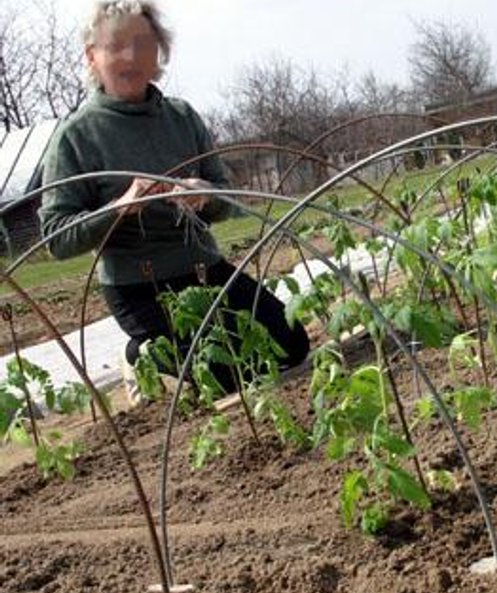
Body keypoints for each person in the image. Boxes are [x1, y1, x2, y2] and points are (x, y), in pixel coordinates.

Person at [38, 1, 310, 403]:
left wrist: (205, 195)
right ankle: (140, 355)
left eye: (143, 44)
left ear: (158, 53)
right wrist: (118, 208)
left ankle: (173, 354)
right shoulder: (76, 136)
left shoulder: (181, 118)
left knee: (292, 346)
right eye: (116, 46)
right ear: (92, 56)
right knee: (220, 379)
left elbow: (228, 199)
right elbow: (55, 238)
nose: (131, 56)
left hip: (205, 270)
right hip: (139, 286)